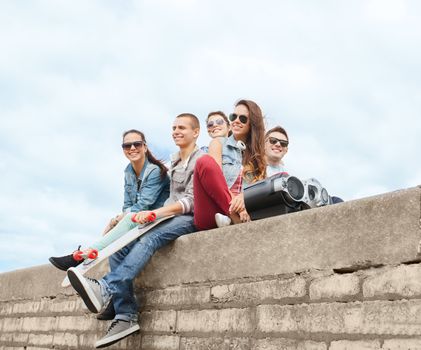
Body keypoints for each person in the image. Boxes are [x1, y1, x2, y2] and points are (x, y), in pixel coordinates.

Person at [66, 113, 204, 348]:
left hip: (190, 217)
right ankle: (125, 315)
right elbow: (133, 204)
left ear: (196, 132)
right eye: (174, 127)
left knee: (149, 238)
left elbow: (191, 201)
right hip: (168, 215)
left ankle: (107, 287)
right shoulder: (176, 162)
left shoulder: (200, 159)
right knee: (120, 248)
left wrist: (156, 214)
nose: (176, 131)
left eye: (182, 127)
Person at [49, 130, 170, 271]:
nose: (132, 148)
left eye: (136, 144)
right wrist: (116, 220)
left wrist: (118, 220)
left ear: (144, 146)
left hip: (156, 218)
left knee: (127, 218)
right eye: (127, 146)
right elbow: (127, 204)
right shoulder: (128, 171)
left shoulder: (154, 171)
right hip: (138, 220)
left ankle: (84, 255)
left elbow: (145, 204)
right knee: (119, 233)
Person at [193, 99, 266, 230]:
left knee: (280, 176)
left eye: (243, 118)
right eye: (234, 116)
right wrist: (236, 208)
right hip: (214, 210)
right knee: (204, 162)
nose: (236, 121)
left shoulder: (259, 158)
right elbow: (216, 180)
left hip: (245, 211)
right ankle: (234, 217)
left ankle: (233, 217)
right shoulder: (218, 143)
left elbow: (259, 187)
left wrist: (244, 198)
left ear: (253, 124)